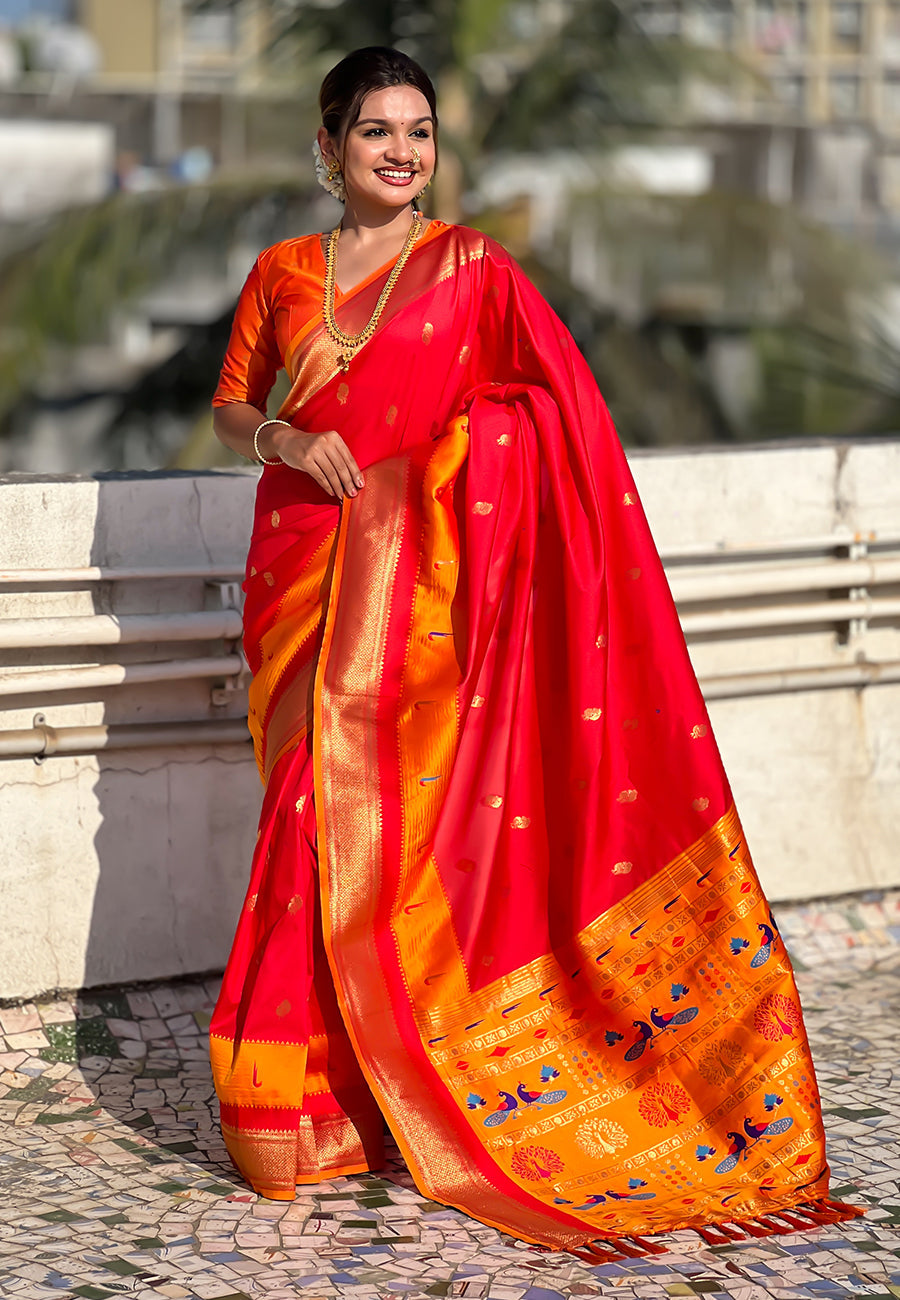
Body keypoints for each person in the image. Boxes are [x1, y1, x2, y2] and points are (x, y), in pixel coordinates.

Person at [208, 46, 858, 1258]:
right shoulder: (281, 275)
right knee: (307, 814)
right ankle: (316, 1104)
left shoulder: (474, 270)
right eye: (374, 133)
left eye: (418, 131)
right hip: (301, 575)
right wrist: (286, 442)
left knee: (399, 838)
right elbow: (235, 401)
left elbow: (553, 406)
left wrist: (432, 474)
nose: (400, 152)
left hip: (428, 596)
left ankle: (391, 1087)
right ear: (329, 145)